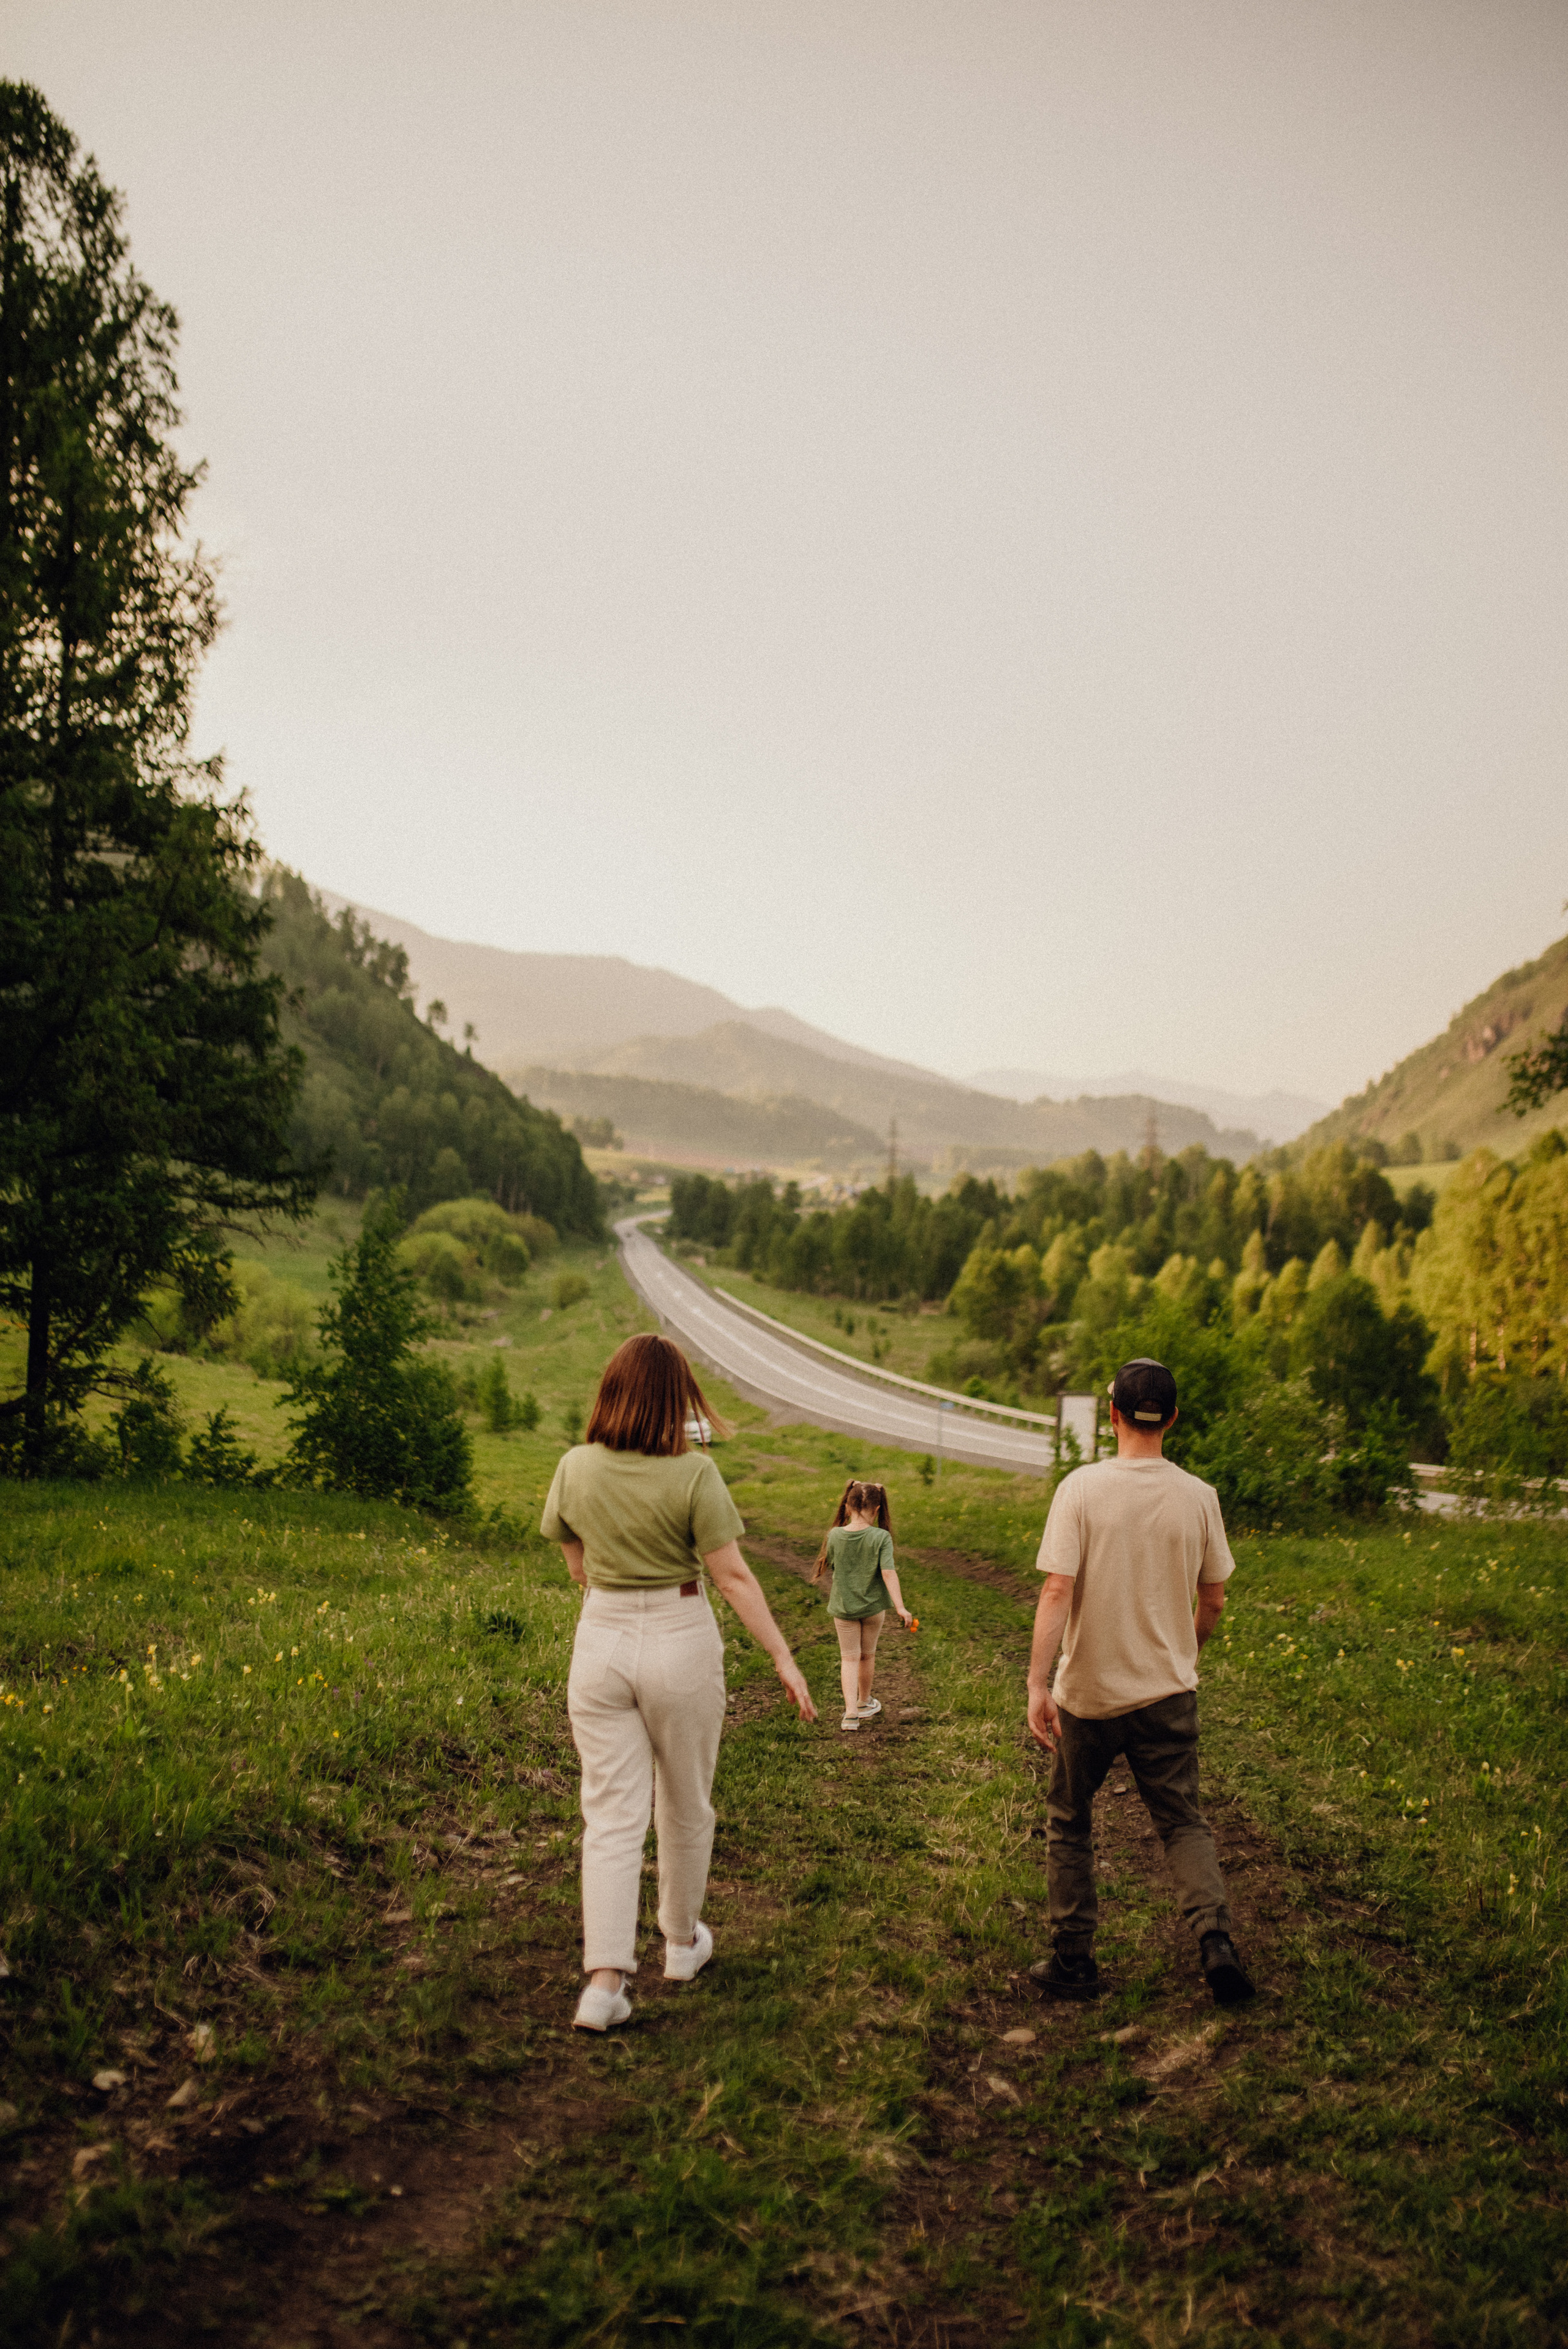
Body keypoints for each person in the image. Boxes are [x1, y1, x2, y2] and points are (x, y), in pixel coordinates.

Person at [541, 1334, 818, 2033]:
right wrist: (783, 1657)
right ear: (676, 1400)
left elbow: (575, 1566)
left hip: (601, 1639)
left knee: (610, 1814)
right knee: (686, 1802)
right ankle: (680, 1942)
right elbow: (732, 1576)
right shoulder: (695, 1474)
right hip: (680, 1635)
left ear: (609, 1392)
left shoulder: (574, 1467)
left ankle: (603, 1984)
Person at [1025, 1356, 1256, 2007]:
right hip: (1168, 1695)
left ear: (1113, 1415)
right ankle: (1215, 1941)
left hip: (1089, 1698)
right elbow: (1213, 1601)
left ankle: (1074, 1960)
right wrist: (1184, 1652)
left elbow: (1056, 1589)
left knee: (1070, 1818)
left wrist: (1037, 1683)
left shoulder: (1080, 1489)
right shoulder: (1199, 1497)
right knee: (1182, 1822)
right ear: (1172, 1419)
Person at [810, 1478, 911, 1732]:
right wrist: (900, 1607)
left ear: (847, 1506)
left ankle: (851, 1715)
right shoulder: (881, 1537)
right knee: (867, 1656)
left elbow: (830, 1561)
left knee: (849, 1659)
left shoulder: (834, 1535)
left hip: (844, 1609)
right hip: (873, 1609)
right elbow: (888, 1572)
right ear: (877, 1509)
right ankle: (864, 1702)